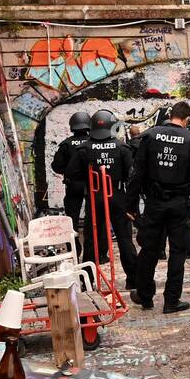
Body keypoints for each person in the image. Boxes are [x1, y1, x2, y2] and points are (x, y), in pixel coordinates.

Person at [127, 102, 190, 313]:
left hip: (154, 203)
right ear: (187, 119)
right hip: (179, 204)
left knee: (149, 249)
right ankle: (171, 301)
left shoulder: (150, 136)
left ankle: (145, 297)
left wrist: (131, 205)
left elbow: (138, 173)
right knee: (177, 252)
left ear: (169, 115)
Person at [66, 109, 138, 289]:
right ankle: (133, 279)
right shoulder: (122, 147)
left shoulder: (84, 149)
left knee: (91, 240)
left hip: (94, 195)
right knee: (124, 238)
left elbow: (70, 173)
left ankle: (87, 281)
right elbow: (132, 174)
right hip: (117, 195)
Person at [52, 111, 92, 227]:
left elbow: (57, 166)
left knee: (72, 217)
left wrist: (69, 170)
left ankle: (74, 244)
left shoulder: (66, 144)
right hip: (92, 185)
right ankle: (92, 243)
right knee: (93, 215)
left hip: (73, 184)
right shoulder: (94, 143)